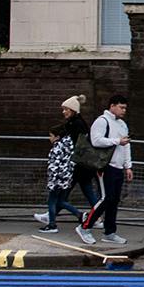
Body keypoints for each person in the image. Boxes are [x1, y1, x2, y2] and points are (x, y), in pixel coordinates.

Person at [35, 95, 101, 234]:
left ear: (72, 110)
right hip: (80, 166)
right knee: (85, 192)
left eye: (65, 109)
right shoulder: (76, 123)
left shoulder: (75, 125)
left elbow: (73, 146)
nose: (63, 112)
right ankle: (95, 218)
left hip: (76, 166)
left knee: (61, 196)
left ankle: (59, 218)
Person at [78, 94, 133, 246]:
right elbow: (96, 140)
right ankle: (85, 227)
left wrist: (128, 166)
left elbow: (126, 144)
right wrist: (117, 141)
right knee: (105, 198)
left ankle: (110, 232)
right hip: (105, 166)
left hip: (118, 167)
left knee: (114, 201)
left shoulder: (122, 124)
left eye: (125, 108)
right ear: (112, 106)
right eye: (121, 107)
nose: (123, 111)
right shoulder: (102, 121)